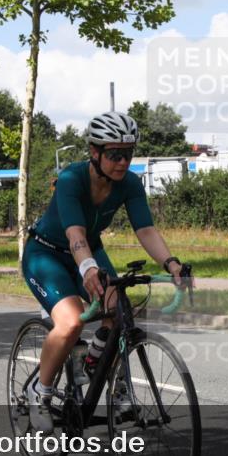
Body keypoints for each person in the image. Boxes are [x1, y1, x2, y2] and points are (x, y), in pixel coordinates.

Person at [22, 111, 190, 432]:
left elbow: (146, 231)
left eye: (128, 154)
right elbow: (75, 234)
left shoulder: (128, 183)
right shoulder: (72, 179)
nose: (123, 162)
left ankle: (100, 366)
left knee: (121, 311)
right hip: (47, 254)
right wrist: (87, 269)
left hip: (90, 251)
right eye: (114, 154)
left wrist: (171, 263)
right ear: (94, 153)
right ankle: (39, 391)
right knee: (71, 323)